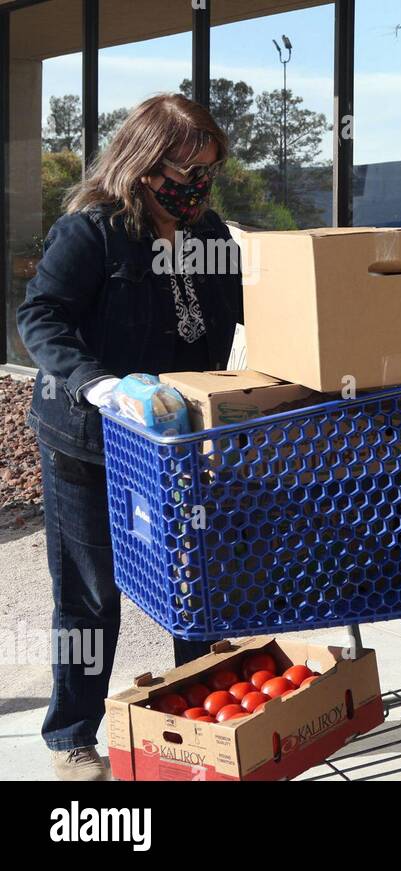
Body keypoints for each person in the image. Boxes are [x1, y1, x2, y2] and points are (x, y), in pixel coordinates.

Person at [18, 94, 243, 779]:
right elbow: (42, 318)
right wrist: (100, 383)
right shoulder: (92, 232)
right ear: (146, 165)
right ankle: (72, 735)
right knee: (91, 592)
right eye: (186, 170)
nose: (197, 185)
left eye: (208, 171)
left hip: (176, 439)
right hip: (87, 436)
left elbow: (237, 325)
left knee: (194, 577)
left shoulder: (210, 237)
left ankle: (202, 711)